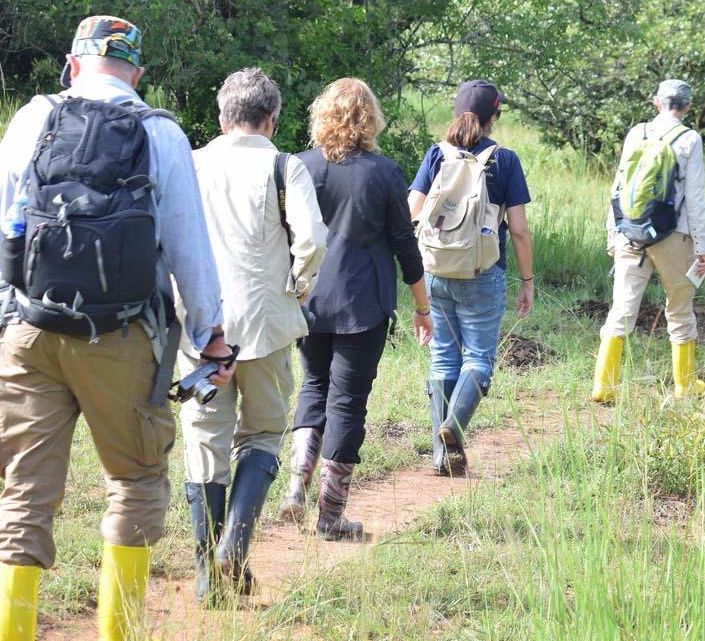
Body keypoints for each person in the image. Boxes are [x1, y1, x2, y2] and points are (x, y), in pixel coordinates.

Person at [0, 16, 235, 641]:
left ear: (72, 63)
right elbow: (189, 248)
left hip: (30, 331)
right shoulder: (158, 132)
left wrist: (0, 313)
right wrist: (210, 338)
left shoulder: (34, 117)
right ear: (137, 73)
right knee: (135, 484)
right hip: (122, 339)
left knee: (25, 493)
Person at [178, 68, 326, 602]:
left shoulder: (190, 163)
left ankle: (205, 575)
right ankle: (232, 550)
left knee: (203, 439)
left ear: (222, 118)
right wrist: (299, 287)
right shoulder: (284, 165)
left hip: (199, 332)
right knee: (262, 434)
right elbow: (311, 241)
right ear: (271, 119)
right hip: (264, 325)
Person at [278, 78, 432, 540]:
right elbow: (406, 245)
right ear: (370, 119)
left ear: (322, 116)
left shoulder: (298, 166)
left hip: (308, 300)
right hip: (363, 304)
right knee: (347, 401)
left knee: (314, 385)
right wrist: (422, 307)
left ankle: (294, 488)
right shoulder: (383, 172)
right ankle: (330, 517)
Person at [408, 80, 533, 475]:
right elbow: (518, 230)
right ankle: (452, 427)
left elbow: (411, 211)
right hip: (484, 272)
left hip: (436, 272)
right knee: (478, 358)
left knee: (443, 356)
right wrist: (527, 280)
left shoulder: (436, 155)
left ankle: (440, 456)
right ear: (493, 117)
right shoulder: (504, 160)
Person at [592, 79, 705, 403]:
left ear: (657, 103)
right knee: (680, 310)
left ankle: (604, 386)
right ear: (687, 107)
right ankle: (684, 387)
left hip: (630, 233)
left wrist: (613, 233)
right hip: (675, 236)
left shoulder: (637, 133)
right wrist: (702, 247)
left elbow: (616, 186)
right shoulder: (690, 139)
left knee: (622, 309)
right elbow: (696, 199)